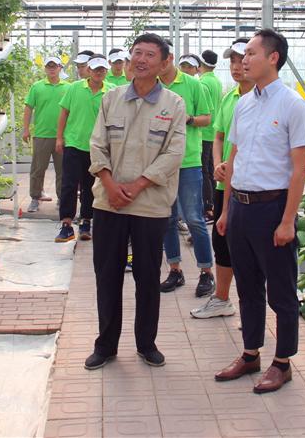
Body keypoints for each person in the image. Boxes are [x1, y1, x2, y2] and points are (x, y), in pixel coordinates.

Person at [215, 29, 305, 394]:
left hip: (273, 209)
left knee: (281, 291)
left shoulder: (292, 104)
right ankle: (250, 353)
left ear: (273, 58)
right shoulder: (243, 104)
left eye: (251, 53)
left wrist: (288, 220)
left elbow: (299, 169)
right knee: (248, 287)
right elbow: (234, 158)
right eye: (243, 55)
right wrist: (226, 210)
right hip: (241, 207)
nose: (244, 60)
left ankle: (282, 362)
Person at [84, 33, 187, 370]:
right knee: (107, 275)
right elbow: (97, 144)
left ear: (164, 63)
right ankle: (105, 346)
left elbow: (174, 153)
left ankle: (146, 344)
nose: (141, 60)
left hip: (150, 205)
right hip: (109, 203)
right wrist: (110, 185)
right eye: (137, 53)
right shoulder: (111, 99)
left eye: (149, 55)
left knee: (147, 276)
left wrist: (139, 184)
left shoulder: (173, 104)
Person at [190, 39, 251, 319]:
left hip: (250, 186)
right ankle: (222, 299)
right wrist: (217, 164)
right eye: (233, 61)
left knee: (249, 247)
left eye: (242, 59)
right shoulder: (229, 98)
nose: (237, 66)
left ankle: (254, 310)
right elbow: (219, 136)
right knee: (222, 240)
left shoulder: (267, 101)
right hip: (224, 183)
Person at [158, 48, 215, 298]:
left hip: (188, 160)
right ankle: (175, 270)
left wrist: (188, 118)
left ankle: (206, 272)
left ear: (169, 59)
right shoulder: (152, 85)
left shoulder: (193, 84)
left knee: (194, 219)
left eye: (158, 59)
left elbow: (207, 118)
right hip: (160, 163)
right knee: (167, 219)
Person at [55, 55, 109, 242]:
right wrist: (59, 137)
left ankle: (86, 221)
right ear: (88, 70)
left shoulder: (111, 91)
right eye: (95, 69)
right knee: (69, 184)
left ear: (106, 71)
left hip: (97, 147)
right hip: (74, 143)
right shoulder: (74, 88)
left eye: (102, 69)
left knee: (90, 186)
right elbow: (64, 113)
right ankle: (66, 224)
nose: (98, 72)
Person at [23, 57, 69, 213]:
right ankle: (35, 198)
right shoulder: (37, 87)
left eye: (54, 66)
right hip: (41, 135)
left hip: (63, 136)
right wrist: (26, 129)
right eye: (49, 66)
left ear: (60, 68)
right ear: (45, 69)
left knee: (63, 170)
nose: (52, 69)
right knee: (38, 169)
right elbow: (28, 108)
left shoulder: (68, 87)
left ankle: (62, 199)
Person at [198, 49, 223, 218]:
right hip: (214, 131)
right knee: (210, 169)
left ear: (201, 64)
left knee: (204, 171)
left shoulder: (202, 83)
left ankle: (207, 205)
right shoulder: (217, 81)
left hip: (204, 131)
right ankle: (212, 202)